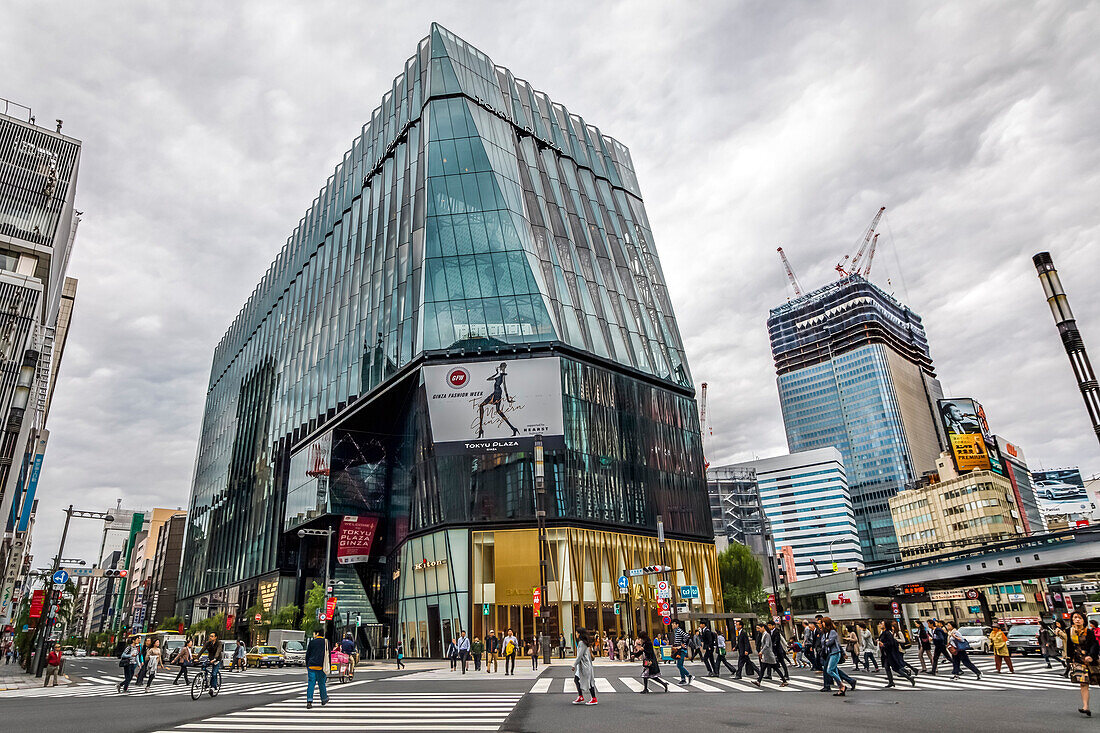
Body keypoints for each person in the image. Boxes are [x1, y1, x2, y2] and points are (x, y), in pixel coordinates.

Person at [1067, 611, 1100, 717]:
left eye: (1080, 618)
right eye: (1075, 617)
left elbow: (1094, 644)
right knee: (1083, 683)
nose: (1077, 619)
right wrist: (1069, 659)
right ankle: (1086, 707)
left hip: (1091, 660)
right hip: (1078, 660)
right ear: (1072, 619)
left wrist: (1091, 655)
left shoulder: (1088, 632)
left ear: (1083, 620)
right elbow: (1069, 645)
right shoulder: (1069, 631)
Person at [820, 617, 855, 696]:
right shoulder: (825, 633)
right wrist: (826, 641)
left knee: (829, 670)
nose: (822, 624)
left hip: (835, 653)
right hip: (829, 653)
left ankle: (842, 686)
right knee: (835, 671)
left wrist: (826, 641)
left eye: (823, 622)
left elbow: (830, 643)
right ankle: (841, 688)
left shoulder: (832, 632)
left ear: (826, 623)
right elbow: (823, 642)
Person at [880, 620, 916, 688]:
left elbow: (891, 643)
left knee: (895, 668)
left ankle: (909, 678)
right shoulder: (884, 633)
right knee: (887, 667)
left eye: (882, 624)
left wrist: (884, 644)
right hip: (886, 654)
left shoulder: (887, 633)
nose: (880, 625)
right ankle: (891, 682)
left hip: (890, 654)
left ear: (885, 625)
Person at [753, 622, 788, 687]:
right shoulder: (764, 634)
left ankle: (784, 681)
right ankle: (758, 681)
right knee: (763, 669)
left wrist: (761, 651)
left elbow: (767, 644)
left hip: (769, 655)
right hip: (767, 655)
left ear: (763, 627)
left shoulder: (767, 635)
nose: (758, 629)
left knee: (775, 668)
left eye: (759, 628)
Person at [570, 627, 597, 705]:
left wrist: (574, 665)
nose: (576, 634)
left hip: (584, 665)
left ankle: (593, 698)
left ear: (579, 634)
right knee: (578, 680)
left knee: (589, 682)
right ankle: (581, 696)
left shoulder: (582, 643)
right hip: (585, 665)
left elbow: (579, 656)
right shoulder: (585, 642)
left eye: (576, 633)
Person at [304, 629, 329, 709]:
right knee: (322, 683)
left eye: (314, 633)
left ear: (317, 633)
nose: (313, 635)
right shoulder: (325, 642)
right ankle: (324, 699)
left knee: (311, 683)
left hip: (311, 666)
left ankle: (309, 701)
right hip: (321, 666)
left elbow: (308, 654)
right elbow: (328, 654)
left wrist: (307, 664)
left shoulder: (312, 642)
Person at [671, 619, 694, 684]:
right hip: (679, 650)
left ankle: (689, 676)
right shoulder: (675, 631)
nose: (672, 625)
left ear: (677, 625)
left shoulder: (679, 630)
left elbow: (687, 636)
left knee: (679, 665)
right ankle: (683, 679)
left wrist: (683, 644)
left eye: (673, 624)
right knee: (680, 664)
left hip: (682, 650)